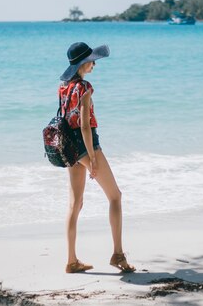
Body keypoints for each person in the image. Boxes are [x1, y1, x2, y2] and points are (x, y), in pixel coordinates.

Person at [58, 42, 135, 274]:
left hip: (68, 147)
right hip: (84, 145)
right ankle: (118, 255)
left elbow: (65, 119)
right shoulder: (85, 88)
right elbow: (83, 125)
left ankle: (71, 260)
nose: (94, 65)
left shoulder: (64, 87)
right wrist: (92, 157)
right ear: (83, 63)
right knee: (115, 197)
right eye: (92, 61)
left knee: (75, 204)